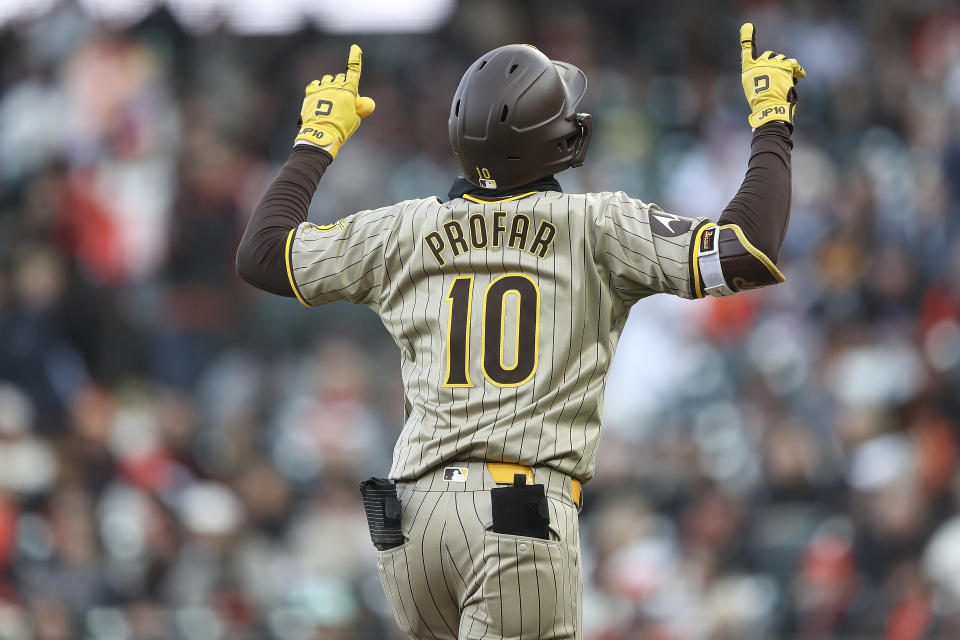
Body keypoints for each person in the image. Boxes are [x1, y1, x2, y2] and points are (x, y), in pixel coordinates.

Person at [236, 24, 804, 639]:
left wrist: (314, 142)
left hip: (410, 524)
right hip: (517, 515)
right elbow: (748, 248)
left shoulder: (403, 229)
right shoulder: (595, 224)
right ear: (558, 140)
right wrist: (773, 122)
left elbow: (262, 255)